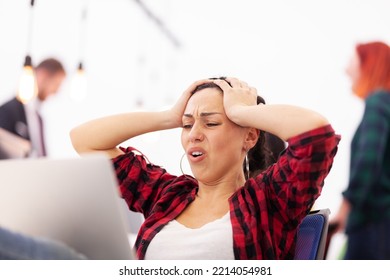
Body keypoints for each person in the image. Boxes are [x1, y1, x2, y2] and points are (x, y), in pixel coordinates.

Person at [70, 77, 340, 260]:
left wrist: (243, 112)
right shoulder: (166, 195)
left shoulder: (268, 201)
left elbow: (317, 138)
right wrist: (169, 117)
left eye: (211, 124)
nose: (193, 135)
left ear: (249, 137)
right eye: (187, 126)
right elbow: (85, 142)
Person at [330, 41, 390, 259]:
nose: (346, 70)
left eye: (352, 62)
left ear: (369, 65)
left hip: (373, 223)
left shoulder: (378, 102)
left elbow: (368, 160)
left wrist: (345, 210)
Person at [0, 57, 66, 158]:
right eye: (57, 84)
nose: (56, 91)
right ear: (43, 75)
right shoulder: (7, 110)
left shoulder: (39, 119)